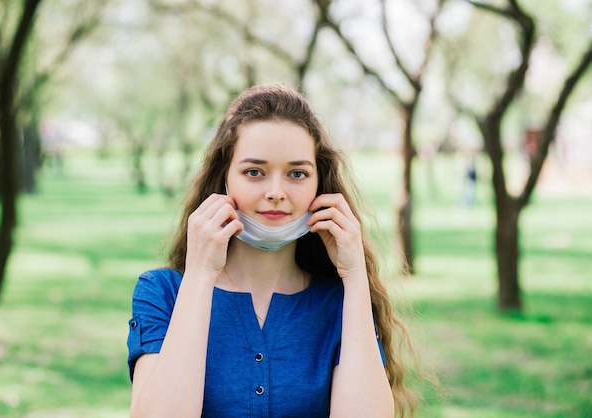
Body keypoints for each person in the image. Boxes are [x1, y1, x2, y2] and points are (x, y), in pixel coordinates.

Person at [127, 83, 417, 417]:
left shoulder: (339, 301)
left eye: (297, 173)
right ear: (223, 180)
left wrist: (354, 278)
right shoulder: (162, 292)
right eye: (254, 172)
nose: (276, 192)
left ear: (318, 184)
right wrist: (201, 273)